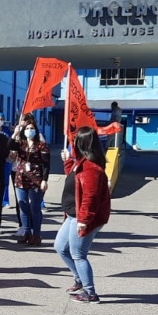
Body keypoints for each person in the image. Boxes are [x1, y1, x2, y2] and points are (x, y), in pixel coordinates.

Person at [55, 126, 111, 305]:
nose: (73, 144)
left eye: (76, 141)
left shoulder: (91, 168)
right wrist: (67, 161)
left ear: (82, 143)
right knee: (60, 247)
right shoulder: (81, 163)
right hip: (72, 216)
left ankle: (90, 292)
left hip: (82, 218)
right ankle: (79, 279)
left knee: (78, 254)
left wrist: (84, 221)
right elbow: (73, 178)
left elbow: (90, 196)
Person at [12, 113, 50, 246]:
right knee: (23, 206)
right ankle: (26, 232)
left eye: (31, 129)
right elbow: (9, 146)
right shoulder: (20, 143)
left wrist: (45, 179)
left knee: (34, 207)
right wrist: (15, 133)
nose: (29, 131)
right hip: (21, 179)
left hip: (36, 179)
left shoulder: (41, 145)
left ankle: (37, 234)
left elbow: (46, 164)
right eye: (27, 129)